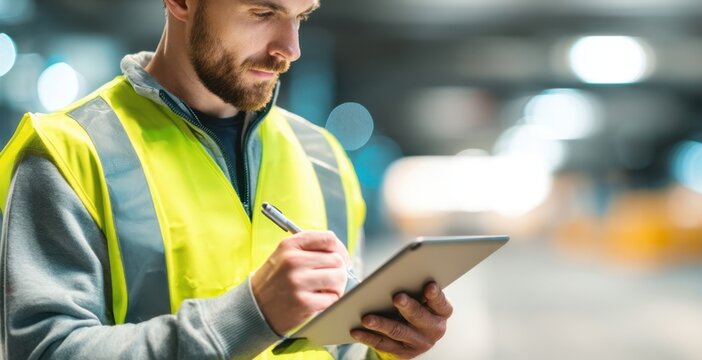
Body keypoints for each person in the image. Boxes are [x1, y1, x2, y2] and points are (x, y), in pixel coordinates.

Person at [0, 0, 453, 358]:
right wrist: (249, 315)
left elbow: (336, 350)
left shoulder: (325, 159)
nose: (289, 48)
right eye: (263, 12)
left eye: (301, 16)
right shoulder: (68, 151)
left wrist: (388, 343)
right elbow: (45, 351)